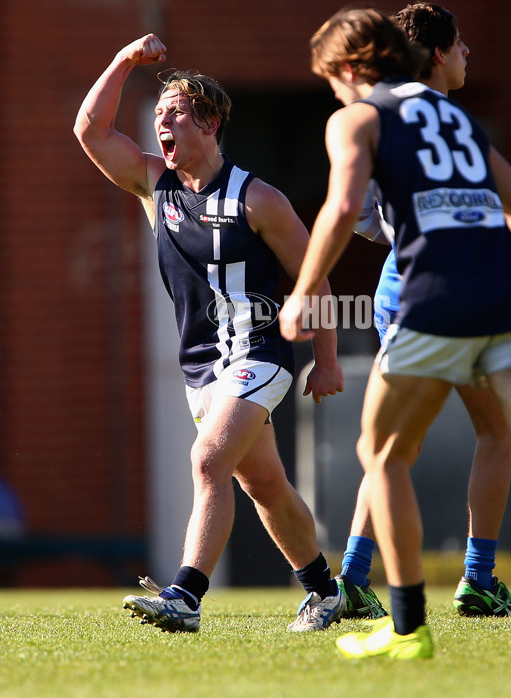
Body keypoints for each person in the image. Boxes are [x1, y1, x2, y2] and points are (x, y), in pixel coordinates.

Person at [279, 6, 511, 661]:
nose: (334, 95)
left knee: (384, 456)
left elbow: (343, 210)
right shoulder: (462, 118)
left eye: (330, 81)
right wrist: (498, 287)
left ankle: (405, 627)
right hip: (508, 301)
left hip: (430, 300)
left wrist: (306, 289)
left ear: (347, 69)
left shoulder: (357, 118)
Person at [73, 33, 347, 633]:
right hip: (200, 367)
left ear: (211, 123)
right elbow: (90, 132)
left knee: (206, 462)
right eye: (158, 117)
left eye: (176, 115)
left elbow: (317, 278)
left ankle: (185, 596)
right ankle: (330, 593)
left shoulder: (258, 198)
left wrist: (324, 360)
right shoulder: (155, 185)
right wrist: (121, 61)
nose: (162, 126)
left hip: (260, 354)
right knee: (264, 483)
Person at [335, 2, 511, 622]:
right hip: (457, 298)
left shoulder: (379, 117)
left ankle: (355, 576)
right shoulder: (452, 123)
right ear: (437, 54)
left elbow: (368, 214)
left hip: (401, 293)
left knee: (391, 448)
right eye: (460, 44)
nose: (468, 53)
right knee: (495, 434)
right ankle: (473, 580)